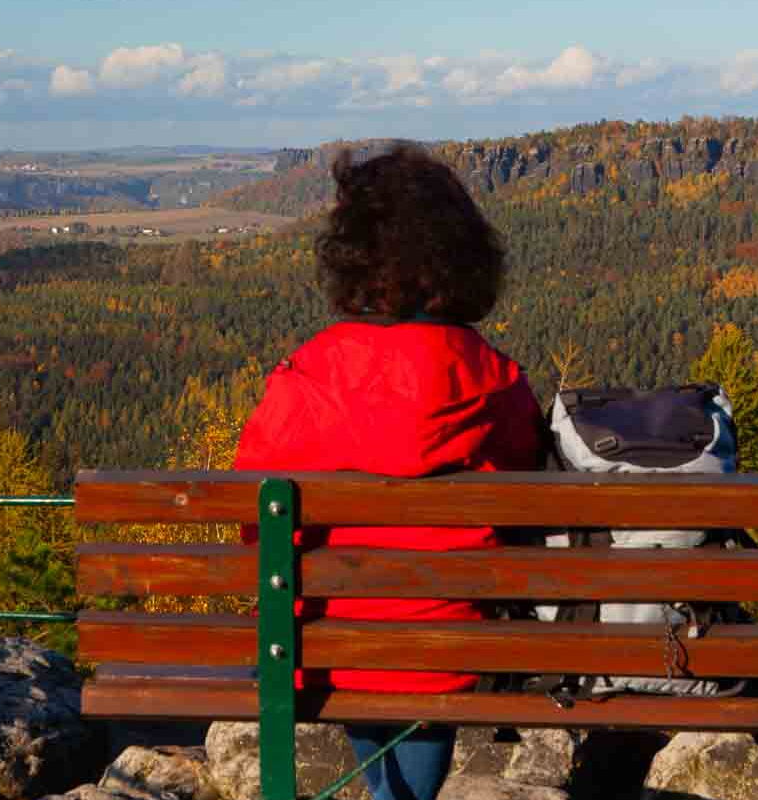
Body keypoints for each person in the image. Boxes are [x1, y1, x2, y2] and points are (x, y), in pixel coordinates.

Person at [231, 143, 546, 800]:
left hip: (326, 647)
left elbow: (251, 521)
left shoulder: (307, 376)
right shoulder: (497, 380)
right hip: (448, 655)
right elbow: (528, 511)